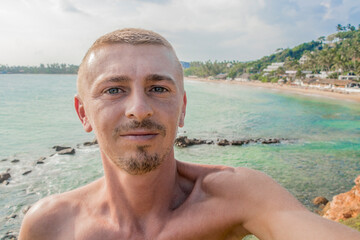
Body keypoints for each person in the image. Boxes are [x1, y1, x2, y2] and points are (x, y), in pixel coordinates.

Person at [19, 28, 360, 240]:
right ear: (83, 113)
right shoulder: (49, 226)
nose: (139, 108)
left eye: (158, 88)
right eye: (113, 90)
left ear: (182, 108)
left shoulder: (234, 197)